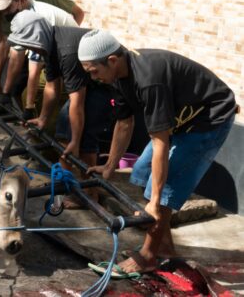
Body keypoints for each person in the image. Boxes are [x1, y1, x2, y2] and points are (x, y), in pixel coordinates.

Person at [79, 30, 237, 275]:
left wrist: (154, 202)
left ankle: (149, 255)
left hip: (210, 118)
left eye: (94, 71)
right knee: (142, 170)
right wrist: (109, 166)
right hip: (181, 117)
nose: (94, 78)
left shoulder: (149, 79)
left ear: (111, 60)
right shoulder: (119, 76)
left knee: (165, 185)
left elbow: (160, 144)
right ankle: (165, 247)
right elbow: (124, 122)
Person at [8, 12, 116, 207]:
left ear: (38, 37)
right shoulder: (50, 46)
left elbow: (77, 102)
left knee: (84, 138)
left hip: (107, 83)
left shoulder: (66, 51)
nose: (28, 49)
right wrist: (42, 119)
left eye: (28, 44)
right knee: (63, 131)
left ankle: (90, 193)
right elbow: (52, 87)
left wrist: (75, 140)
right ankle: (67, 184)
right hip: (90, 83)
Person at [0, 0, 84, 101]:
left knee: (51, 92)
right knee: (19, 90)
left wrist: (65, 38)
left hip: (67, 51)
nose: (5, 12)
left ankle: (49, 117)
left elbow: (78, 13)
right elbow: (13, 51)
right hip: (49, 47)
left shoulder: (43, 2)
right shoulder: (10, 7)